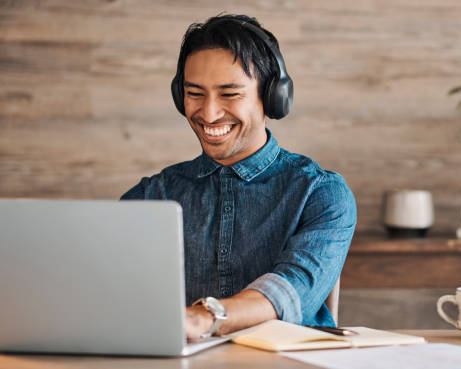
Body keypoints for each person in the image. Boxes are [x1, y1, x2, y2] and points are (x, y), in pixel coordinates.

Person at [121, 14, 356, 340]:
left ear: (273, 97)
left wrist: (203, 318)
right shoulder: (151, 195)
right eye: (195, 93)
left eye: (229, 93)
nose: (209, 113)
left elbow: (289, 290)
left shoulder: (320, 193)